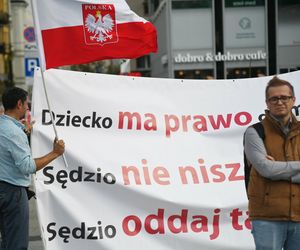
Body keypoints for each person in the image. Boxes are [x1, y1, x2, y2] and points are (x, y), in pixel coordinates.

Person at [0, 87, 65, 250]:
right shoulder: (13, 132)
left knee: (6, 240)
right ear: (19, 104)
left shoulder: (5, 126)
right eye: (27, 103)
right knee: (16, 244)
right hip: (12, 192)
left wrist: (25, 133)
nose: (28, 107)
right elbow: (27, 166)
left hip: (4, 188)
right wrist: (55, 153)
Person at [244, 76, 300, 250]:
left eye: (284, 97)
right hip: (267, 217)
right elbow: (266, 169)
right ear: (267, 103)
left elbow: (271, 170)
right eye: (274, 98)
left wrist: (278, 169)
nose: (279, 102)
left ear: (293, 100)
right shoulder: (254, 132)